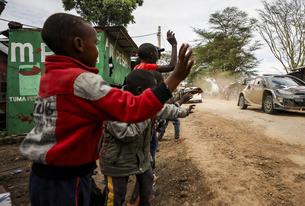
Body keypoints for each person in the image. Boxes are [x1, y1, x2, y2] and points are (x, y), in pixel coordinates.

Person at [19, 13, 193, 206]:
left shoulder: (51, 77)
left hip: (45, 175)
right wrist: (175, 78)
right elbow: (134, 108)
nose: (97, 51)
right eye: (94, 43)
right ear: (79, 44)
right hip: (66, 179)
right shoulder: (82, 81)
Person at [100, 70, 195, 206]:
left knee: (147, 191)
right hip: (117, 164)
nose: (155, 95)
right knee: (115, 198)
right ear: (140, 90)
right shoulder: (114, 105)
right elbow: (126, 134)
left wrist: (184, 112)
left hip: (142, 160)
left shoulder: (147, 102)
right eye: (153, 91)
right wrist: (147, 114)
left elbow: (165, 109)